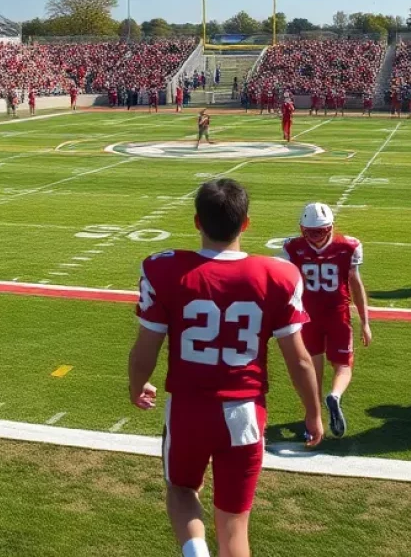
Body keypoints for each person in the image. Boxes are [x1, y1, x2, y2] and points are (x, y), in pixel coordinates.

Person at [127, 178, 323, 557]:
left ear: (197, 222)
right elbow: (299, 359)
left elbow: (144, 350)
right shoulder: (278, 275)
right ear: (246, 223)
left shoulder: (165, 269)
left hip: (188, 409)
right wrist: (313, 412)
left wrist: (137, 386)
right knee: (234, 525)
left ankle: (195, 551)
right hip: (245, 412)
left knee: (182, 490)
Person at [281, 203, 370, 439]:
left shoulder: (292, 247)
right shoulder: (348, 246)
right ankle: (336, 395)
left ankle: (314, 414)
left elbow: (286, 286)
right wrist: (365, 322)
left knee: (313, 367)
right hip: (337, 314)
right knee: (343, 365)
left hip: (307, 316)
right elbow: (356, 285)